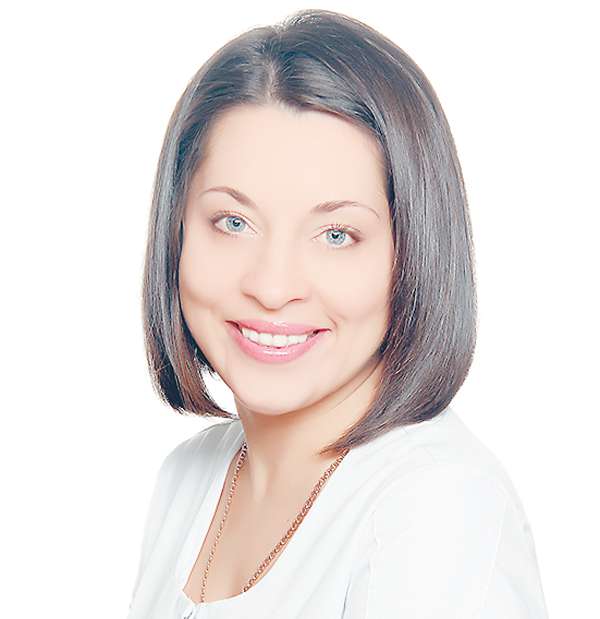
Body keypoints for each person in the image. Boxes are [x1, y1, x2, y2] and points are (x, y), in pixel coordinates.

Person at [127, 8, 549, 619]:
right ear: (176, 232)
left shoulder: (435, 506)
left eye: (336, 235)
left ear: (412, 254)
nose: (273, 287)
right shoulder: (188, 479)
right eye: (234, 222)